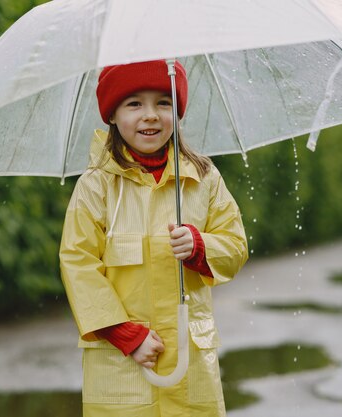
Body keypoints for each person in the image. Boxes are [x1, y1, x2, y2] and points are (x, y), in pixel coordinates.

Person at [59, 59, 248, 417]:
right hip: (122, 365)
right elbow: (78, 263)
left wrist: (201, 246)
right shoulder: (95, 185)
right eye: (134, 104)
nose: (150, 115)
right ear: (112, 114)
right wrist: (125, 334)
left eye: (164, 102)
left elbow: (236, 245)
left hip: (190, 365)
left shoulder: (203, 177)